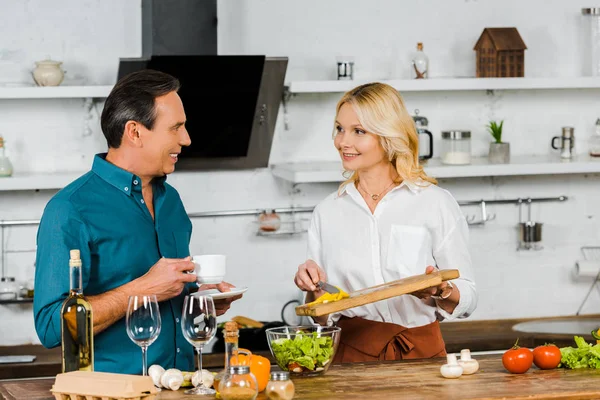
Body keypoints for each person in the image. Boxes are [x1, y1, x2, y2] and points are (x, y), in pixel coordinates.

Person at [34, 70, 242, 374]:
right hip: (114, 394)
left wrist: (200, 298)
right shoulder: (69, 210)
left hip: (182, 385)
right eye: (176, 128)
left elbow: (167, 295)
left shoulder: (171, 201)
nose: (186, 139)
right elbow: (52, 328)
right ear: (135, 132)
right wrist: (141, 289)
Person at [293, 82, 477, 363]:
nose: (343, 142)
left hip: (423, 356)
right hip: (350, 358)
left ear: (388, 135)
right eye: (340, 128)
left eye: (359, 131)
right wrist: (314, 291)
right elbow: (321, 317)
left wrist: (442, 290)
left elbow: (470, 297)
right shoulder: (327, 212)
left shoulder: (435, 202)